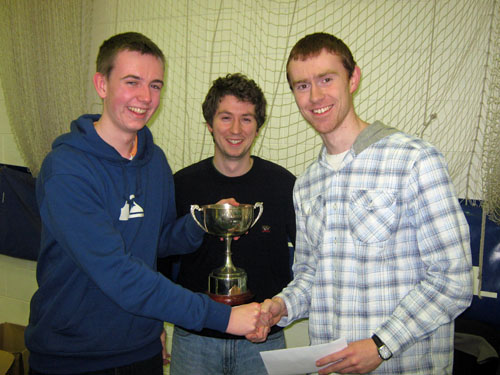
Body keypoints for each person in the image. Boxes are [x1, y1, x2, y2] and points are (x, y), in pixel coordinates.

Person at [25, 32, 262, 375]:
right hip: (73, 358)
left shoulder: (154, 162)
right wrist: (222, 317)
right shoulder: (66, 170)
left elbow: (160, 240)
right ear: (101, 85)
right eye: (131, 82)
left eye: (155, 85)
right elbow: (118, 272)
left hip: (142, 352)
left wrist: (201, 222)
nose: (145, 97)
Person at [251, 32, 473, 374]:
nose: (316, 96)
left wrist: (382, 345)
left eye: (327, 79)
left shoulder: (414, 160)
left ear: (353, 79)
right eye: (302, 85)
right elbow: (311, 274)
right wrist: (283, 305)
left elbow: (453, 280)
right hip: (332, 367)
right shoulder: (308, 184)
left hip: (404, 366)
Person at [157, 73, 296, 375]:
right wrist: (154, 324)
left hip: (262, 340)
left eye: (246, 119)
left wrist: (279, 309)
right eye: (225, 117)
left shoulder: (283, 186)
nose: (235, 129)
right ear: (209, 123)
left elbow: (308, 261)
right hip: (195, 339)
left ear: (258, 126)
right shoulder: (180, 185)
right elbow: (161, 261)